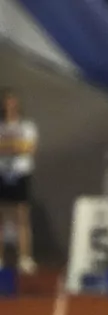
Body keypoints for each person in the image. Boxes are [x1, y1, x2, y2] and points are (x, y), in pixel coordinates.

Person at [0, 87, 38, 274]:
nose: (11, 105)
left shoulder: (27, 126)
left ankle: (25, 258)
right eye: (8, 102)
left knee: (22, 216)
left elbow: (29, 148)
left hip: (20, 173)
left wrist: (9, 146)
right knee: (2, 217)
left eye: (14, 102)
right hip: (2, 174)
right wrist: (15, 146)